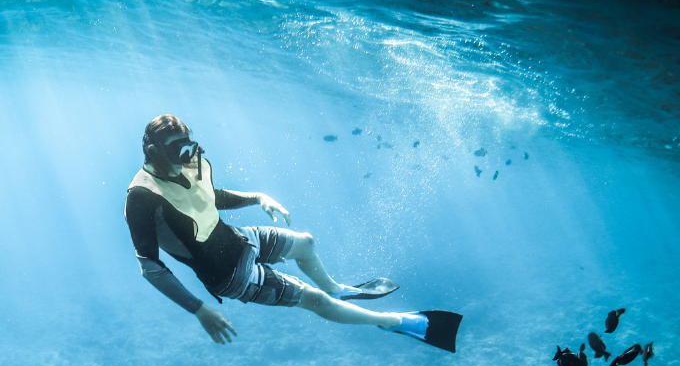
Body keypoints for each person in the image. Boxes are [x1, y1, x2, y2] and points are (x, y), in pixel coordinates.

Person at [124, 114, 461, 351]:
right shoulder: (141, 197)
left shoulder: (188, 163)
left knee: (305, 243)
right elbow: (150, 267)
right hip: (227, 275)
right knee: (314, 300)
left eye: (188, 147)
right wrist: (199, 309)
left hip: (239, 238)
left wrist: (258, 197)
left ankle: (338, 290)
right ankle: (391, 321)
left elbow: (208, 197)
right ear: (154, 152)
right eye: (176, 151)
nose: (186, 157)